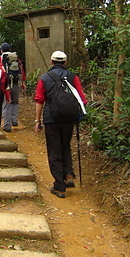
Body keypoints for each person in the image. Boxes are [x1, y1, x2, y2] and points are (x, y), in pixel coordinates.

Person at [34, 50, 87, 199]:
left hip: (52, 118)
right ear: (65, 62)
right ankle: (69, 174)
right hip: (69, 118)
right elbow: (81, 98)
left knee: (54, 150)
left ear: (51, 62)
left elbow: (39, 100)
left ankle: (59, 186)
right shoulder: (73, 77)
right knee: (65, 145)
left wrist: (37, 121)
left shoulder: (45, 78)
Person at [0, 43, 25, 133]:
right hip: (17, 82)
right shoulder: (16, 58)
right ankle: (14, 120)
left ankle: (7, 125)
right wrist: (23, 82)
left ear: (1, 50)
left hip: (7, 84)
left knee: (6, 103)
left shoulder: (0, 58)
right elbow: (21, 69)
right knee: (15, 102)